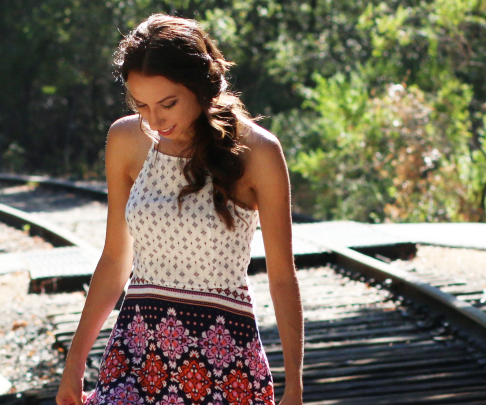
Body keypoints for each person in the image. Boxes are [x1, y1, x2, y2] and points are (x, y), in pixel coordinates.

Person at [55, 14, 304, 405]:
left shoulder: (259, 152)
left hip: (225, 360)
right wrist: (73, 366)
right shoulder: (126, 139)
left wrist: (295, 385)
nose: (155, 119)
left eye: (167, 103)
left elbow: (282, 278)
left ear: (201, 85)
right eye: (141, 105)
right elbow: (115, 259)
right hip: (136, 356)